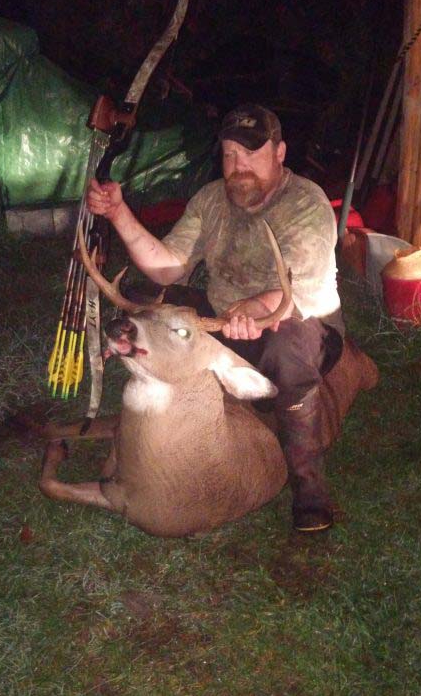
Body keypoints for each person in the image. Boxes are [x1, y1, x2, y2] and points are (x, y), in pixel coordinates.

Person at [87, 104, 344, 533]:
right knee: (144, 308)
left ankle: (309, 488)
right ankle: (158, 441)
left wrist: (257, 309)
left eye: (251, 153)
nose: (238, 166)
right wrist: (118, 213)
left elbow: (294, 290)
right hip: (226, 318)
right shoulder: (210, 200)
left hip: (303, 321)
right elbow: (169, 266)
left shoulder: (306, 203)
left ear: (280, 152)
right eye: (229, 155)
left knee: (284, 353)